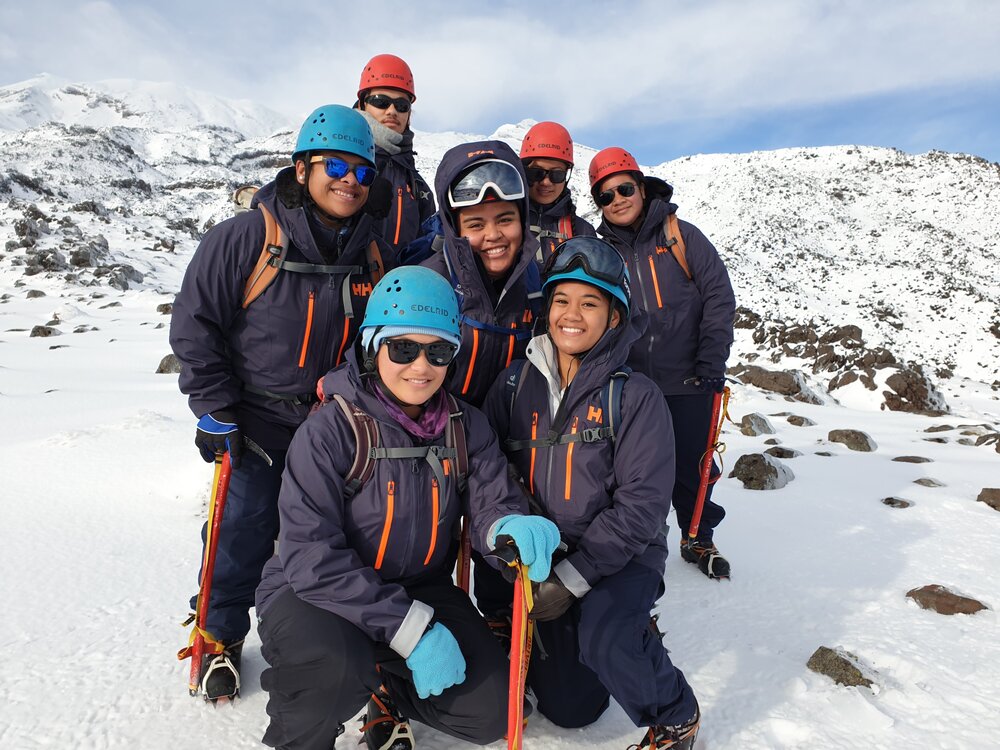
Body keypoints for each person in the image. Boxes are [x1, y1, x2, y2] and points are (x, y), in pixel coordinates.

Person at [254, 266, 561, 750]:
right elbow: (310, 556)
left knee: (495, 712)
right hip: (314, 593)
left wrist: (508, 525)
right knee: (333, 669)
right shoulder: (331, 430)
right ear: (373, 346)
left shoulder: (465, 426)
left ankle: (384, 686)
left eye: (438, 351)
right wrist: (408, 630)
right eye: (403, 348)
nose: (421, 366)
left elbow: (490, 499)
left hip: (420, 586)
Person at [169, 104, 395, 700]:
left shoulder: (369, 255)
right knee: (242, 527)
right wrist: (213, 406)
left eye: (362, 172)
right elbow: (197, 323)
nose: (349, 180)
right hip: (257, 419)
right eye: (336, 165)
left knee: (346, 537)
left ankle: (351, 647)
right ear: (302, 168)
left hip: (333, 426)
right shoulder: (247, 238)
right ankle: (218, 635)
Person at [480, 236, 701, 749]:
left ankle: (674, 714)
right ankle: (579, 642)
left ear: (615, 316)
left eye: (590, 302)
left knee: (604, 637)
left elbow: (641, 507)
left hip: (622, 557)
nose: (571, 314)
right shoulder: (513, 386)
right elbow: (489, 472)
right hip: (543, 556)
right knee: (572, 709)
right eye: (561, 300)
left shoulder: (636, 397)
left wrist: (575, 579)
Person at [588, 146, 736, 579]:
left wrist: (710, 364)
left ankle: (697, 536)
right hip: (631, 384)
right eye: (605, 195)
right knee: (634, 472)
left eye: (624, 188)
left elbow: (718, 299)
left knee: (694, 466)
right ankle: (637, 542)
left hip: (689, 379)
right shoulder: (602, 252)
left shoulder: (681, 236)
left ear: (641, 187)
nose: (617, 200)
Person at [421, 140, 542, 408]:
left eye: (505, 220)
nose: (493, 235)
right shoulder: (427, 285)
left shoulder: (539, 289)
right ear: (455, 230)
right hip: (441, 439)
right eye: (476, 224)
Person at [355, 53, 436, 255]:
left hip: (401, 284)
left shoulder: (417, 185)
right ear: (363, 104)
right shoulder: (341, 164)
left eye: (402, 105)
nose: (392, 111)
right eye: (381, 101)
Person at [519, 120, 596, 262]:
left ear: (567, 175)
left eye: (557, 175)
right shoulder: (505, 221)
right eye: (537, 173)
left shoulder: (583, 231)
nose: (546, 182)